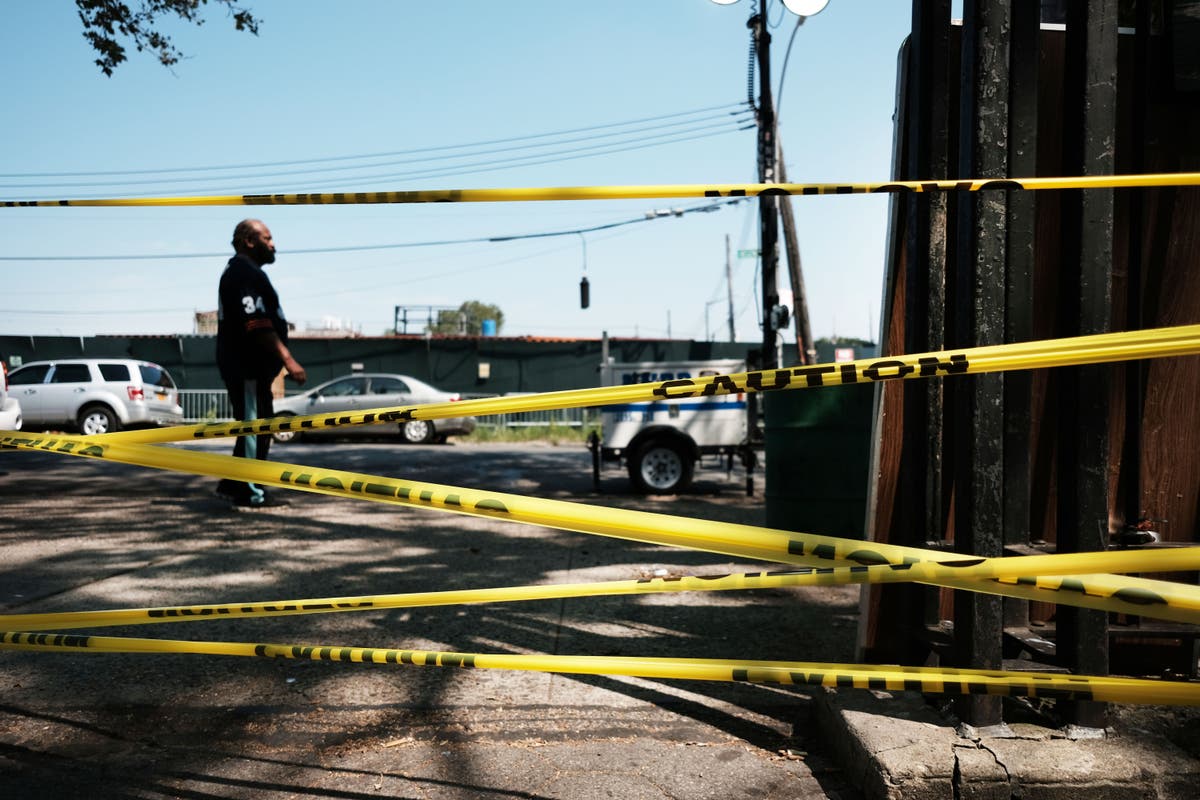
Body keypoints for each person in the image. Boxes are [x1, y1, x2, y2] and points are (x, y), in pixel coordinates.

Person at [214, 219, 306, 507]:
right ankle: (249, 490)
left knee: (257, 425)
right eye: (267, 238)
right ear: (249, 242)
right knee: (256, 427)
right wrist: (288, 360)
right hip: (246, 368)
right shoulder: (242, 272)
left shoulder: (247, 272)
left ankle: (233, 483)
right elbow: (256, 322)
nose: (273, 244)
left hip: (252, 369)